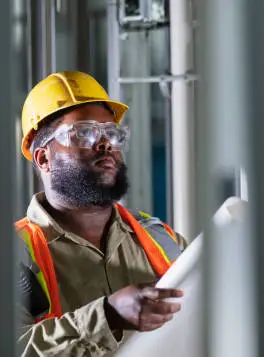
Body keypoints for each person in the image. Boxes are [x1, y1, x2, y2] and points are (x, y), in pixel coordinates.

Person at [15, 70, 188, 356]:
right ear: (43, 158)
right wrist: (107, 316)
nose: (106, 143)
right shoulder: (10, 258)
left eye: (112, 133)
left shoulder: (162, 239)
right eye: (84, 133)